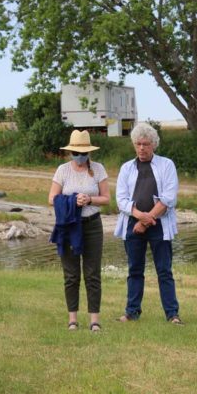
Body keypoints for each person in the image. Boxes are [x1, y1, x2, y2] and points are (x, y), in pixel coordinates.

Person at [114, 123, 183, 325]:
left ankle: (172, 314)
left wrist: (146, 221)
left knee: (164, 271)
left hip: (159, 225)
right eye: (138, 144)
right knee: (134, 270)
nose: (141, 148)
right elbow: (121, 199)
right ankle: (131, 312)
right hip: (131, 224)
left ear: (154, 145)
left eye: (145, 144)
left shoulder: (166, 165)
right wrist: (138, 215)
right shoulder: (126, 168)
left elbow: (168, 198)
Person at [49, 130, 110, 332]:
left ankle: (94, 320)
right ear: (70, 152)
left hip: (92, 225)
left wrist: (89, 199)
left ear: (89, 153)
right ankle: (72, 319)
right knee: (71, 274)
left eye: (83, 153)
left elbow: (106, 198)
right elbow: (52, 198)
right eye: (75, 152)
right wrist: (72, 200)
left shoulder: (99, 169)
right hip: (68, 226)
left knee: (92, 274)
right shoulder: (63, 170)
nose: (79, 156)